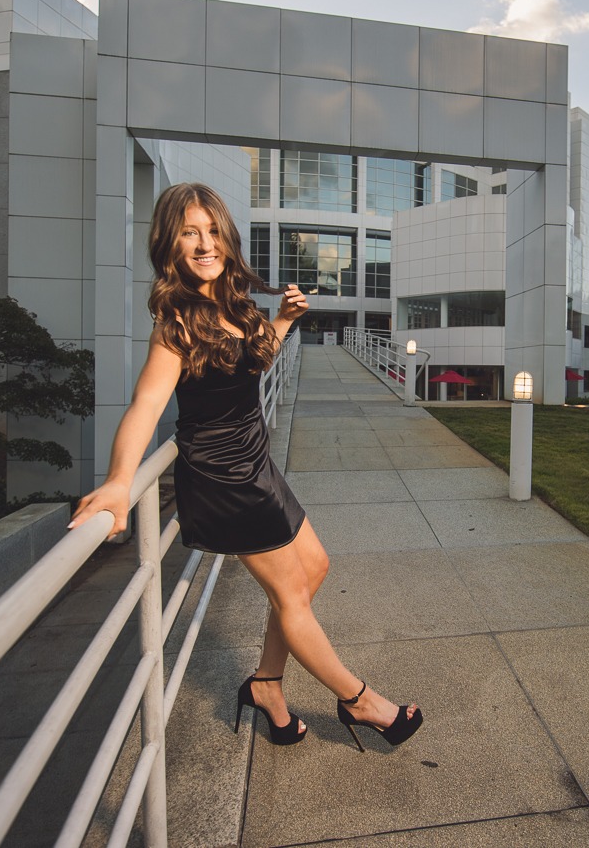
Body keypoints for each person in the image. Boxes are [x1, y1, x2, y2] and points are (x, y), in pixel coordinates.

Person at [70, 182, 421, 752]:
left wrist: (281, 321)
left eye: (212, 232)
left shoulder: (232, 305)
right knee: (292, 597)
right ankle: (362, 702)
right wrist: (117, 482)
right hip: (220, 478)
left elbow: (249, 363)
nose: (204, 244)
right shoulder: (176, 325)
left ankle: (266, 687)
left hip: (254, 463)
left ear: (227, 240)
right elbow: (146, 408)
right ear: (169, 244)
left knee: (315, 570)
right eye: (189, 233)